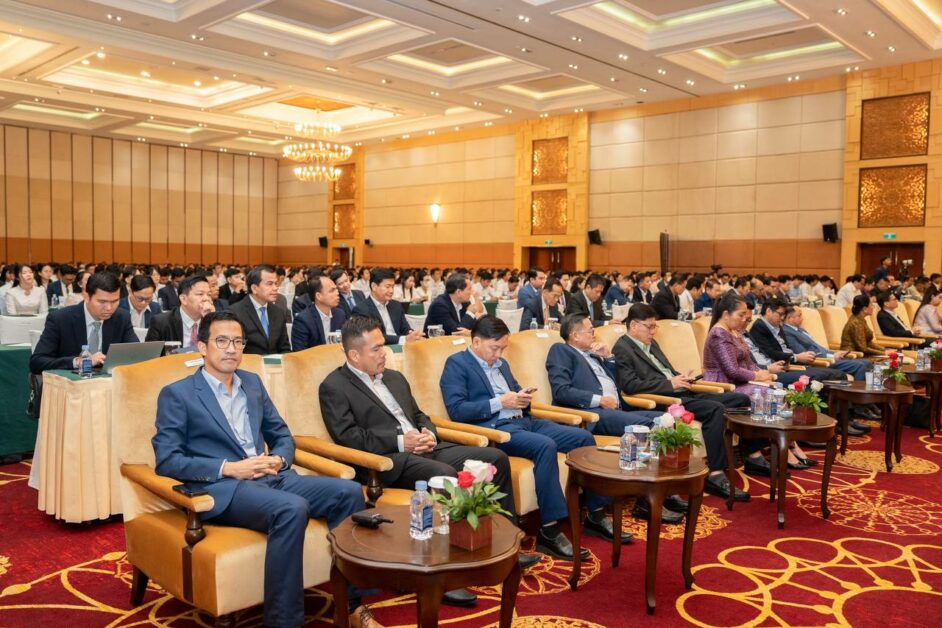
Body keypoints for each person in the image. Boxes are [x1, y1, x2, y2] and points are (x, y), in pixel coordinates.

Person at [152, 312, 377, 628]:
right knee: (291, 509)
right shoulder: (178, 394)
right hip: (227, 488)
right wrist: (230, 468)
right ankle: (283, 622)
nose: (231, 349)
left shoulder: (253, 383)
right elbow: (167, 459)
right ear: (202, 346)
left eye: (238, 341)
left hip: (273, 476)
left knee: (349, 492)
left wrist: (280, 460)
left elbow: (281, 435)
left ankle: (352, 605)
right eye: (221, 341)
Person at [320, 316, 538, 607]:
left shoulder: (394, 377)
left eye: (384, 346)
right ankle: (443, 572)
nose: (384, 353)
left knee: (494, 458)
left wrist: (428, 433)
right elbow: (348, 437)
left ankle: (505, 547)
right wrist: (402, 441)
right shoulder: (334, 386)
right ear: (354, 355)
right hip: (389, 460)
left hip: (426, 448)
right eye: (376, 349)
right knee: (443, 474)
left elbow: (419, 414)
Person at [440, 316, 630, 560]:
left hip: (525, 420)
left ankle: (596, 512)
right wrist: (500, 402)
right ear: (476, 342)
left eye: (502, 349)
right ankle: (549, 530)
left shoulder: (502, 364)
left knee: (582, 437)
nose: (498, 354)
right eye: (494, 348)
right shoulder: (457, 364)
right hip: (496, 428)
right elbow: (457, 410)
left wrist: (522, 397)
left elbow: (515, 393)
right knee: (544, 446)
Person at [613, 304, 752, 499]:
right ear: (634, 325)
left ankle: (752, 455)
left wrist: (681, 378)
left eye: (655, 326)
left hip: (682, 391)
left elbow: (666, 370)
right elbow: (631, 385)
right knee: (715, 409)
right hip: (666, 399)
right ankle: (715, 473)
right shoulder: (622, 348)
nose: (653, 331)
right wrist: (670, 383)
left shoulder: (651, 343)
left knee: (740, 399)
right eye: (649, 327)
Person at [30, 271, 138, 373]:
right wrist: (78, 362)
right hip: (72, 383)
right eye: (102, 302)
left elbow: (137, 354)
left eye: (114, 301)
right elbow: (37, 362)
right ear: (86, 296)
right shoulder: (61, 319)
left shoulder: (121, 318)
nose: (109, 308)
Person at [228, 265, 292, 355]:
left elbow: (284, 348)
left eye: (276, 283)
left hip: (276, 363)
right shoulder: (235, 313)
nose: (275, 288)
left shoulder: (278, 312)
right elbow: (234, 351)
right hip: (249, 363)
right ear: (254, 288)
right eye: (269, 284)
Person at [353, 268, 423, 345]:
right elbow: (373, 337)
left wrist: (412, 334)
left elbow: (404, 328)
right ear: (374, 286)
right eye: (387, 287)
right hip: (380, 348)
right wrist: (403, 339)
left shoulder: (396, 305)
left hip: (401, 346)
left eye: (392, 287)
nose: (391, 291)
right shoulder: (361, 309)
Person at [145, 275, 214, 349]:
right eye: (200, 294)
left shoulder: (212, 321)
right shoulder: (161, 322)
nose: (206, 298)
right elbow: (150, 353)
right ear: (183, 299)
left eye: (209, 294)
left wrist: (212, 319)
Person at [291, 275, 347, 351]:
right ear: (318, 296)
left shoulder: (340, 314)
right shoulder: (303, 320)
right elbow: (300, 352)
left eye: (336, 289)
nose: (337, 293)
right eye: (332, 290)